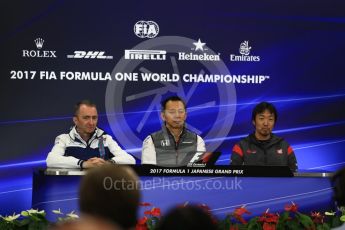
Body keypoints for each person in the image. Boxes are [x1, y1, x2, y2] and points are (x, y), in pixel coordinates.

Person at [46, 100, 135, 169]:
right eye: (86, 118)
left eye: (94, 118)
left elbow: (130, 160)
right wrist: (83, 164)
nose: (91, 123)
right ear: (75, 120)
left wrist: (107, 163)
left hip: (102, 186)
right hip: (72, 187)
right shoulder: (64, 139)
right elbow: (51, 160)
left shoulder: (105, 138)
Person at [230, 101, 298, 171]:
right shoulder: (241, 146)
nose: (266, 123)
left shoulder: (284, 146)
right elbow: (233, 174)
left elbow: (294, 174)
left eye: (270, 119)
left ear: (274, 123)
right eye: (261, 118)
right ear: (253, 121)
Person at [141, 96, 206, 166]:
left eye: (181, 111)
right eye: (172, 112)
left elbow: (200, 172)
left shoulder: (197, 140)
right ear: (163, 116)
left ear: (185, 115)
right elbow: (148, 172)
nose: (177, 115)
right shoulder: (151, 141)